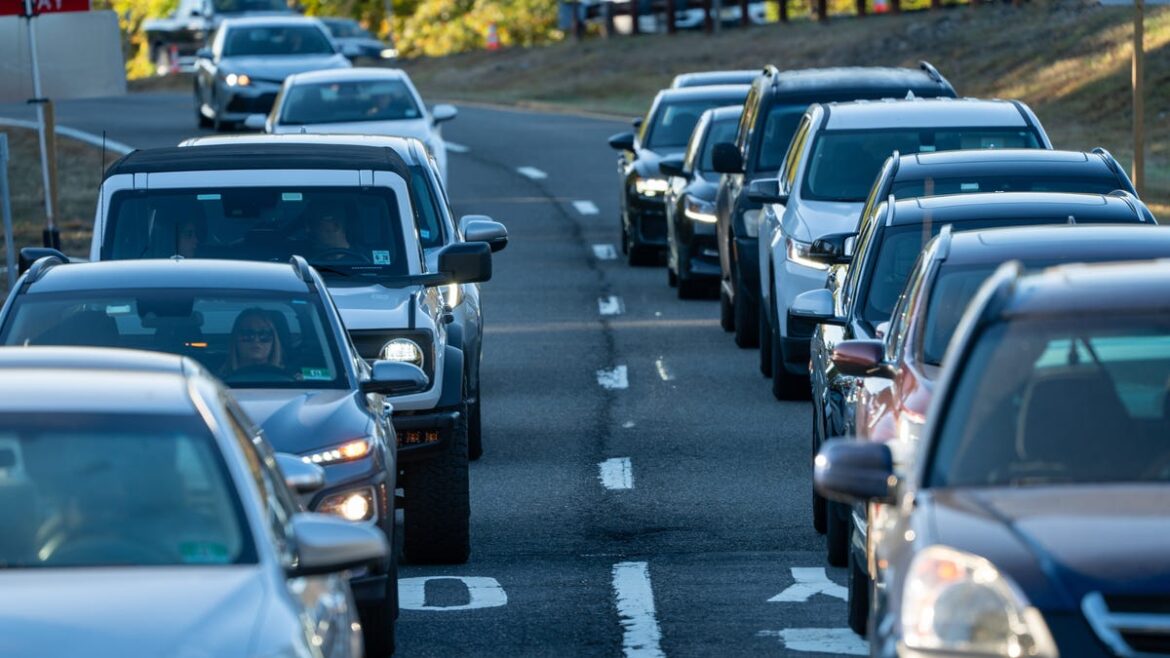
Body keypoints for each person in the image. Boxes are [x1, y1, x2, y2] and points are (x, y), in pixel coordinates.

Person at [222, 308, 285, 377]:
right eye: (247, 333)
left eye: (264, 334)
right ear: (235, 339)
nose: (256, 340)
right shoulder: (214, 383)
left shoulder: (294, 382)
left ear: (274, 340)